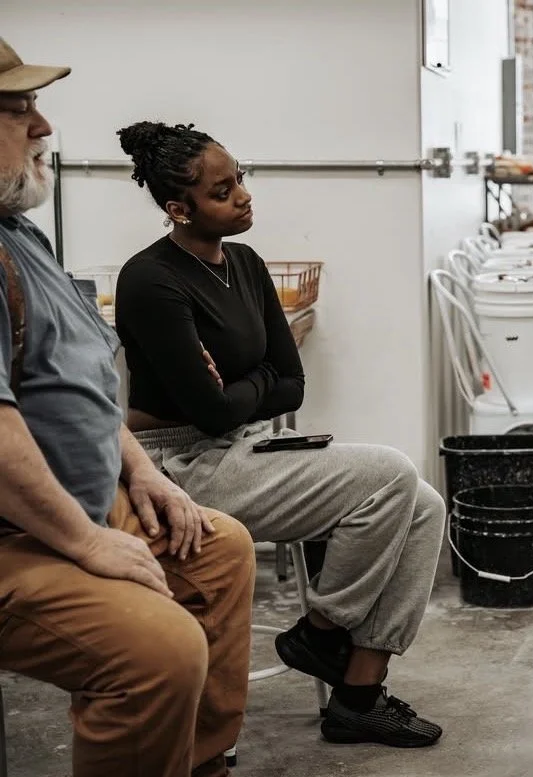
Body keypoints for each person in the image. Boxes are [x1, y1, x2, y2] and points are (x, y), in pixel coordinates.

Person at [113, 120, 447, 749]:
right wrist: (261, 375)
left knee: (424, 505)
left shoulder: (244, 261)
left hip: (250, 443)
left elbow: (293, 383)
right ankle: (322, 632)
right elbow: (211, 412)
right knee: (394, 474)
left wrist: (249, 383)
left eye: (240, 178)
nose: (242, 195)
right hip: (183, 468)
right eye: (222, 190)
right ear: (178, 209)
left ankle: (357, 694)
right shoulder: (151, 280)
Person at [0, 39, 255, 777]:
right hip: (20, 531)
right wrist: (86, 542)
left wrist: (140, 471)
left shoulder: (21, 234)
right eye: (19, 110)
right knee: (159, 649)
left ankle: (196, 762)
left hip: (71, 504)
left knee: (217, 550)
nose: (43, 126)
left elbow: (76, 376)